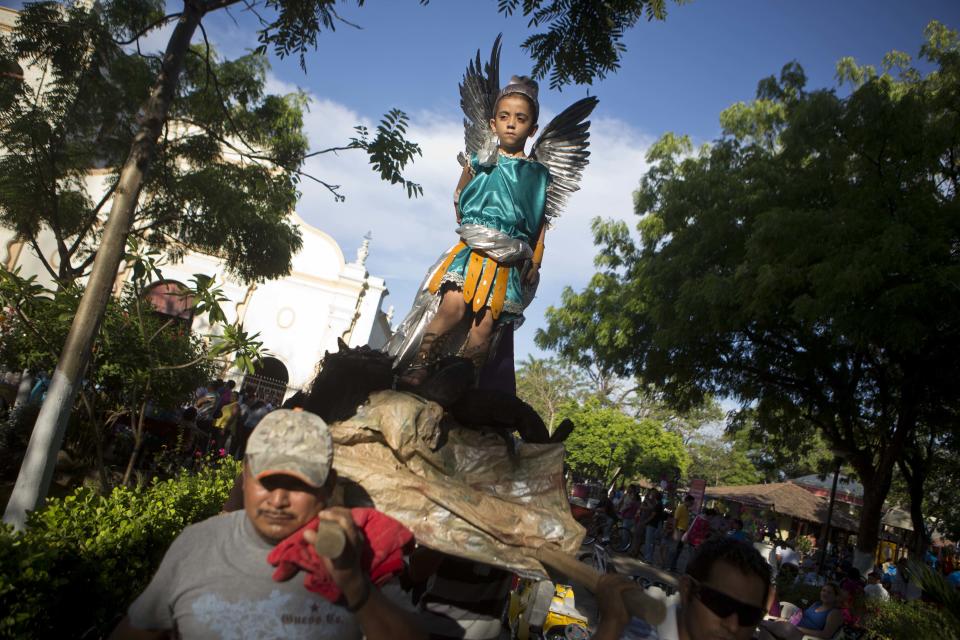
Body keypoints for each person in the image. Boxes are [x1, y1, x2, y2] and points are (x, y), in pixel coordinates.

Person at [110, 410, 426, 640]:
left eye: (297, 484)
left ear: (328, 486)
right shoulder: (197, 544)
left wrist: (354, 583)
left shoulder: (360, 547)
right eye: (267, 481)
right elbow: (138, 630)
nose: (277, 500)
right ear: (245, 477)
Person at [758, 583, 843, 640]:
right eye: (823, 590)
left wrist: (798, 628)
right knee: (764, 632)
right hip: (792, 628)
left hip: (804, 636)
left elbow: (825, 634)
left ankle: (757, 621)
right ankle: (759, 622)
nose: (824, 594)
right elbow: (801, 618)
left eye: (829, 592)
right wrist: (787, 620)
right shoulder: (816, 604)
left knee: (766, 625)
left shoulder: (834, 612)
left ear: (836, 597)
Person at [669, 494, 695, 573]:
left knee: (678, 550)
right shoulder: (681, 507)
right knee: (674, 549)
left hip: (683, 531)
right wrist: (674, 530)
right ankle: (669, 566)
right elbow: (675, 519)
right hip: (679, 530)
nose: (692, 504)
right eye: (691, 502)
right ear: (687, 501)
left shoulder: (687, 510)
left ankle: (673, 566)